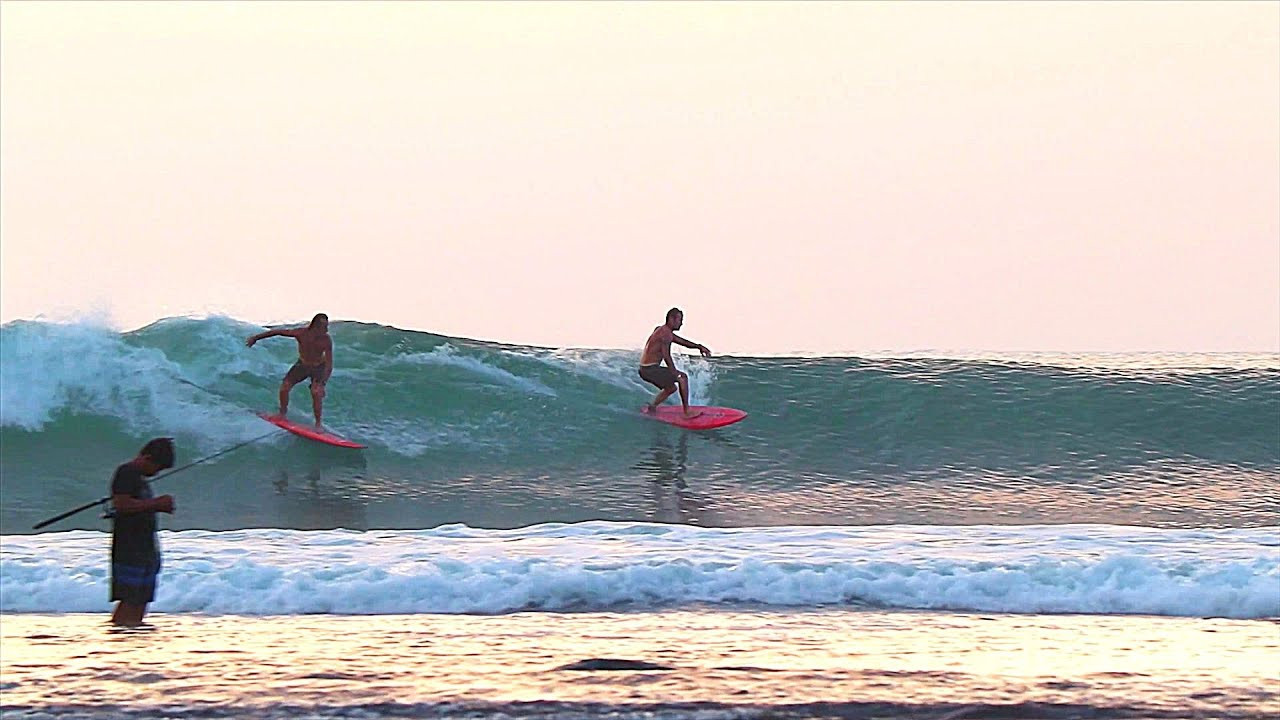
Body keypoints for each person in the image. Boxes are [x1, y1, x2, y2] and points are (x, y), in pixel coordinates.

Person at [109, 437, 176, 627]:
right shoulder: (126, 472)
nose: (156, 473)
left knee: (142, 597)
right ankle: (121, 630)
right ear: (146, 457)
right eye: (157, 467)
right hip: (129, 547)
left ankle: (133, 630)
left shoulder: (139, 479)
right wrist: (157, 504)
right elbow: (121, 503)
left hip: (145, 546)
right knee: (130, 597)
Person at [246, 313, 334, 427]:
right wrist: (256, 338)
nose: (327, 330)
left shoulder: (326, 340)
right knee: (284, 387)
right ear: (315, 327)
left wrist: (322, 383)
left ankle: (318, 424)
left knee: (316, 392)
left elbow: (329, 364)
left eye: (327, 326)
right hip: (302, 365)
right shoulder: (301, 333)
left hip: (318, 368)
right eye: (324, 327)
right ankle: (282, 414)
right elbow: (277, 332)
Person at [638, 307, 712, 418]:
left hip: (645, 369)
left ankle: (652, 407)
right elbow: (666, 355)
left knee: (671, 388)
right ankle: (687, 412)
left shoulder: (661, 330)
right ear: (672, 319)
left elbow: (682, 341)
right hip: (650, 369)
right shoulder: (665, 333)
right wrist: (675, 373)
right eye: (680, 320)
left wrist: (699, 346)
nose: (681, 323)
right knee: (683, 378)